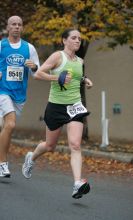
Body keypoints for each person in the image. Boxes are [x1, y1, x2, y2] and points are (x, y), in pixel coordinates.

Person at [22, 28, 93, 199]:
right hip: (56, 106)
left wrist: (85, 79)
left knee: (75, 144)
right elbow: (38, 74)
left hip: (75, 106)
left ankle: (77, 184)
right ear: (64, 40)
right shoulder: (57, 56)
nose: (78, 41)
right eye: (74, 38)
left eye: (79, 39)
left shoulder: (80, 61)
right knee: (49, 145)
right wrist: (57, 78)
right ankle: (31, 158)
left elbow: (75, 76)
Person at [0, 16, 40, 178]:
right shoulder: (1, 46)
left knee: (5, 128)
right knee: (10, 124)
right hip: (3, 91)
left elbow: (37, 73)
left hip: (19, 96)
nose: (16, 27)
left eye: (19, 25)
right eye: (13, 24)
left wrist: (35, 66)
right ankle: (3, 164)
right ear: (8, 28)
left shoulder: (29, 48)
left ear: (22, 28)